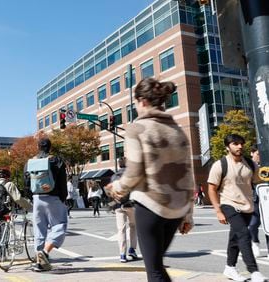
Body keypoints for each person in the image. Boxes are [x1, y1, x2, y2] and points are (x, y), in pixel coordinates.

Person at [106, 78, 194, 282]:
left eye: (135, 104)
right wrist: (188, 215)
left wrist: (117, 186)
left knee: (154, 271)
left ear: (142, 101)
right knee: (157, 266)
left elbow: (135, 170)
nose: (136, 108)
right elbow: (188, 176)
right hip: (176, 209)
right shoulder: (178, 131)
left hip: (151, 204)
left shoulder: (137, 128)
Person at [208, 134, 267, 282]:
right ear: (228, 147)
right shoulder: (220, 165)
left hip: (247, 206)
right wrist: (218, 211)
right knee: (244, 235)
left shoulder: (250, 164)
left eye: (241, 143)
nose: (240, 146)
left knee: (235, 239)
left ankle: (230, 268)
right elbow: (212, 189)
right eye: (235, 144)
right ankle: (254, 272)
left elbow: (259, 181)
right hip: (229, 205)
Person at [25, 137, 68, 272]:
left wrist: (31, 197)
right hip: (53, 197)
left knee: (39, 230)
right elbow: (62, 180)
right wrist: (63, 196)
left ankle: (39, 262)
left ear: (38, 147)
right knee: (60, 225)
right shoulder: (56, 160)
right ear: (50, 147)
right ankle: (45, 252)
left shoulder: (31, 162)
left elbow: (26, 181)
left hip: (37, 198)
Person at [0, 168, 32, 266]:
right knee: (5, 232)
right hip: (6, 211)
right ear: (7, 176)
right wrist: (29, 206)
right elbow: (18, 198)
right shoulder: (9, 184)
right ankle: (2, 255)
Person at [110, 157, 138, 263]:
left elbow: (111, 192)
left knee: (121, 229)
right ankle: (132, 249)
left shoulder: (114, 176)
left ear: (119, 164)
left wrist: (112, 205)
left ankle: (122, 254)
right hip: (131, 205)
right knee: (133, 226)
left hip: (118, 206)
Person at [248, 145, 268, 258]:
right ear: (252, 153)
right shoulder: (248, 165)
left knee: (267, 224)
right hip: (254, 199)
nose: (260, 156)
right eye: (258, 154)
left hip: (266, 198)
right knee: (253, 224)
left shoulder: (266, 164)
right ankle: (255, 243)